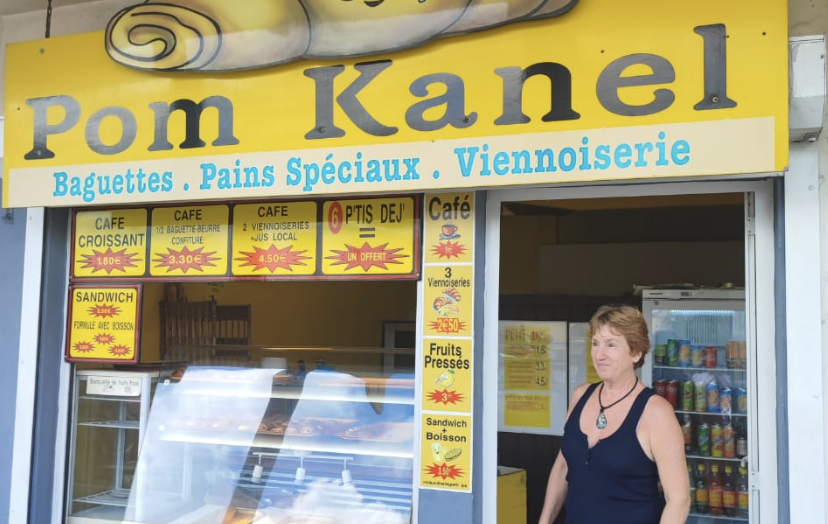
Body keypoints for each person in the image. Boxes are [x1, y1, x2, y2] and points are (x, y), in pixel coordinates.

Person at [538, 304, 690, 524]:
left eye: (611, 345)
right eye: (595, 343)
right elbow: (563, 465)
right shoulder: (581, 395)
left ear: (636, 352)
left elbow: (679, 500)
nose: (600, 354)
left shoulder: (655, 412)